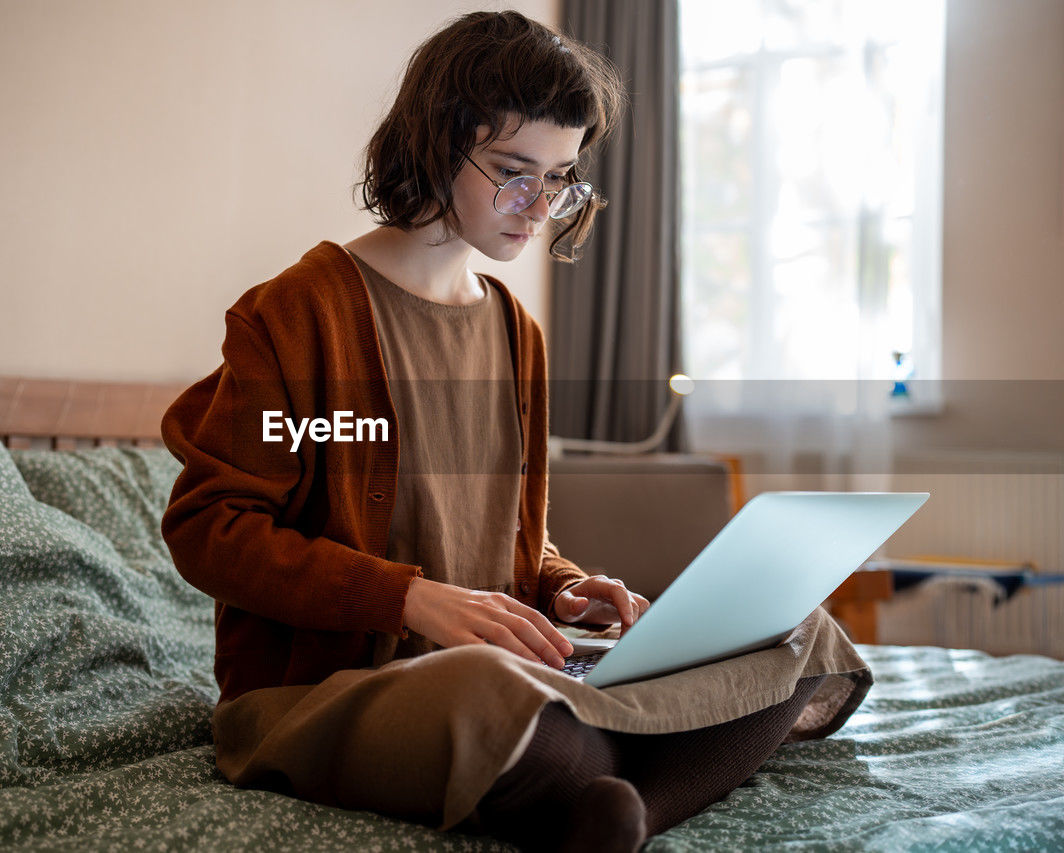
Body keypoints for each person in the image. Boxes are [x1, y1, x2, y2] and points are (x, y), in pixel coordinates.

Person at [161, 11, 869, 852]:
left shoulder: (514, 331)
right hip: (337, 691)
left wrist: (563, 586)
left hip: (509, 674)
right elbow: (210, 530)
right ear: (435, 144)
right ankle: (635, 773)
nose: (539, 207)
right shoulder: (298, 313)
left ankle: (610, 802)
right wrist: (409, 597)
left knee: (799, 627)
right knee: (490, 690)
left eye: (561, 177)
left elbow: (503, 541)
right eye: (512, 172)